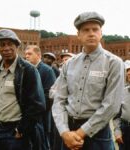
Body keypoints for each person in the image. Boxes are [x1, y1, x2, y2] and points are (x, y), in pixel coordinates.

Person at [52, 11, 124, 150]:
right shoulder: (69, 64)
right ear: (78, 35)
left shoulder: (114, 63)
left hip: (97, 134)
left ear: (101, 33)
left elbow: (111, 105)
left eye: (95, 29)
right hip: (69, 131)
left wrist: (80, 133)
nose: (91, 33)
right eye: (86, 30)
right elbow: (59, 99)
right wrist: (64, 132)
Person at [0, 29, 46, 150]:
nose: (6, 48)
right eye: (2, 44)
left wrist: (22, 129)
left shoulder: (28, 70)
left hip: (14, 134)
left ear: (17, 46)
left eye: (10, 44)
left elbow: (38, 105)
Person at [25, 45, 56, 149]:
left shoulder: (47, 71)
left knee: (42, 144)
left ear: (38, 55)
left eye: (29, 54)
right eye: (25, 54)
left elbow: (50, 96)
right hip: (27, 116)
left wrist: (37, 112)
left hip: (41, 117)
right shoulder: (26, 70)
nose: (26, 56)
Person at [113, 60, 130, 150]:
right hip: (124, 130)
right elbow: (116, 114)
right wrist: (117, 131)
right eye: (128, 70)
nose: (129, 72)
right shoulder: (121, 91)